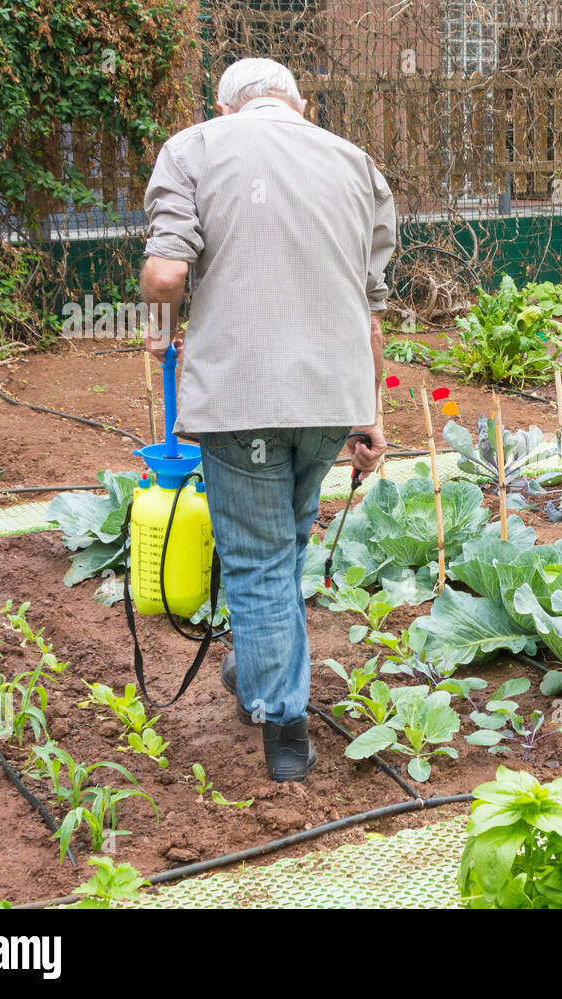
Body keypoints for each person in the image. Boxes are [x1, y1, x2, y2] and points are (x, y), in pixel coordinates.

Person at [139, 57, 395, 781]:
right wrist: (368, 415)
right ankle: (257, 669)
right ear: (301, 106)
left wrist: (158, 328)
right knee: (282, 549)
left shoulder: (194, 149)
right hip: (330, 398)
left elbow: (164, 275)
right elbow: (369, 312)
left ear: (225, 108)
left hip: (242, 396)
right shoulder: (357, 165)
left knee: (255, 561)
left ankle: (283, 726)